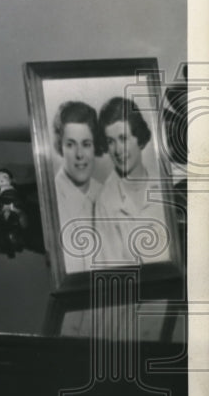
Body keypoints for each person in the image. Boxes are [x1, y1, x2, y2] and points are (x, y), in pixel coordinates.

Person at [93, 96, 172, 265]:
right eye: (110, 142)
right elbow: (110, 268)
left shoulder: (166, 186)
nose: (117, 150)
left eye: (123, 138)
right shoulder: (104, 202)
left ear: (139, 139)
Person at [51, 100, 103, 273]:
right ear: (60, 147)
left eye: (86, 144)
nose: (80, 154)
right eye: (71, 144)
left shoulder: (106, 193)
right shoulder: (50, 199)